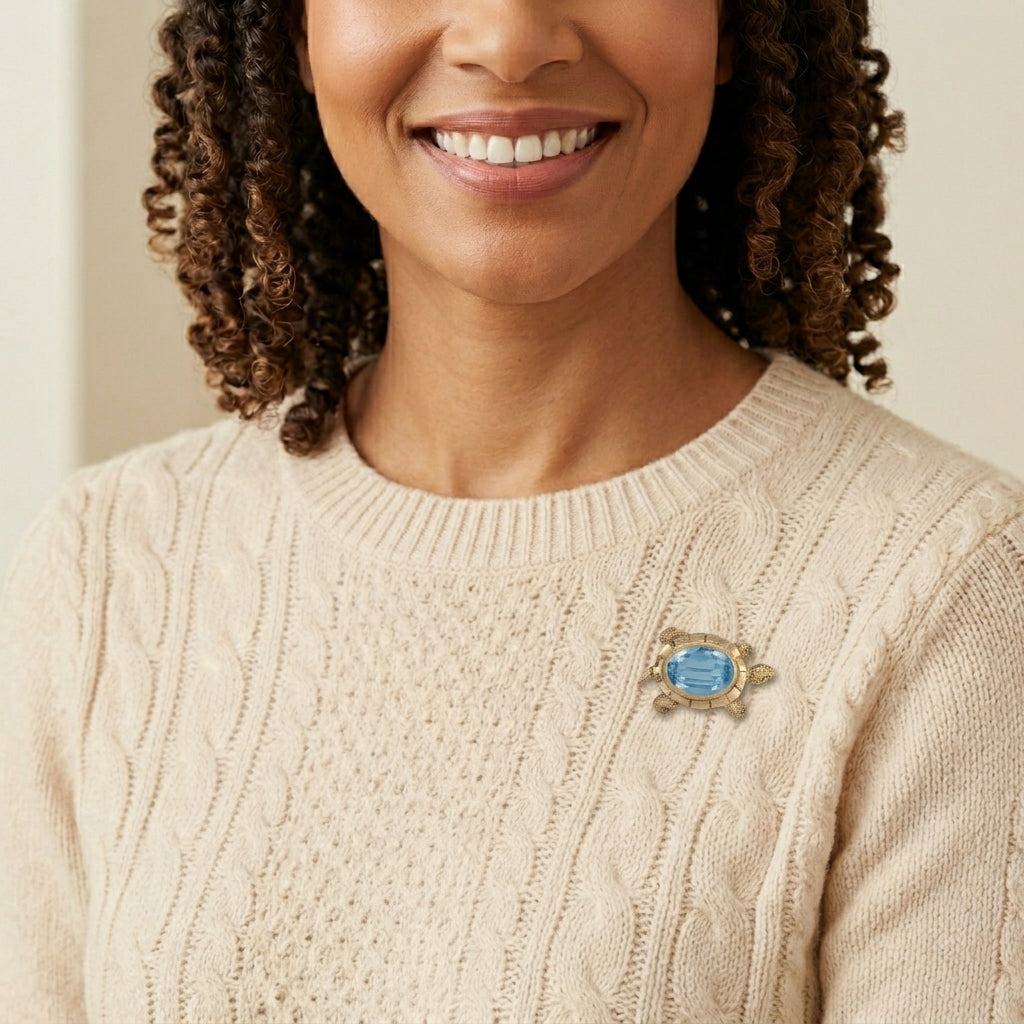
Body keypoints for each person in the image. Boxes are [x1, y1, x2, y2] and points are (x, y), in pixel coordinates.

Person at [2, 0, 1023, 1020]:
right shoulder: (105, 570)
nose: (507, 36)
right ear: (292, 35)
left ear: (732, 23)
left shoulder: (945, 589)